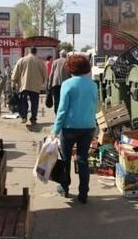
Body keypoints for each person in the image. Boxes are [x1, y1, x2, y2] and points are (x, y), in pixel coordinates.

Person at [52, 54, 99, 204]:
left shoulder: (67, 84)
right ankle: (83, 193)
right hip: (88, 127)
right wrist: (95, 127)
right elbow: (95, 106)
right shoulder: (93, 85)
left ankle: (65, 188)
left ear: (71, 68)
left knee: (65, 159)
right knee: (83, 159)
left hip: (69, 127)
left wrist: (55, 130)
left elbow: (62, 110)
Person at [12, 48, 48, 126]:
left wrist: (14, 83)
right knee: (34, 103)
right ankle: (33, 119)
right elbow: (45, 74)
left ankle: (24, 117)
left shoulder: (22, 60)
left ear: (29, 51)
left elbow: (15, 72)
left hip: (24, 85)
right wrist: (43, 84)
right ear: (36, 52)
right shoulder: (40, 62)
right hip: (35, 86)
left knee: (23, 101)